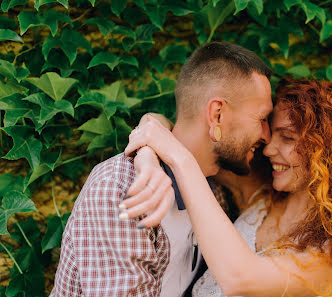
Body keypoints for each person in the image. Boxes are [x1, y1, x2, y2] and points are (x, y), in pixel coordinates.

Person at [122, 78, 332, 297]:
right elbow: (172, 128)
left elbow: (240, 278)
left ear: (326, 150)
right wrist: (148, 158)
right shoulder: (261, 195)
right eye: (272, 136)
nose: (269, 149)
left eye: (288, 138)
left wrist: (177, 159)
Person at [50, 41, 273, 297]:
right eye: (261, 118)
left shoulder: (216, 189)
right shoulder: (122, 190)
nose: (267, 136)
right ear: (217, 115)